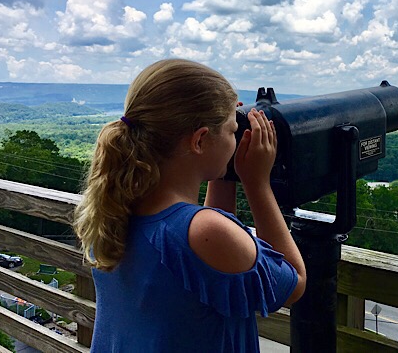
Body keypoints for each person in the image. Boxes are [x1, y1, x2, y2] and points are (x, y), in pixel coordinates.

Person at [73, 58, 306, 352]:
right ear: (199, 141)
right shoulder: (204, 232)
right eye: (233, 131)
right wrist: (257, 184)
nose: (236, 138)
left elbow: (211, 261)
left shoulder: (112, 208)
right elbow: (293, 284)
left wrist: (224, 164)